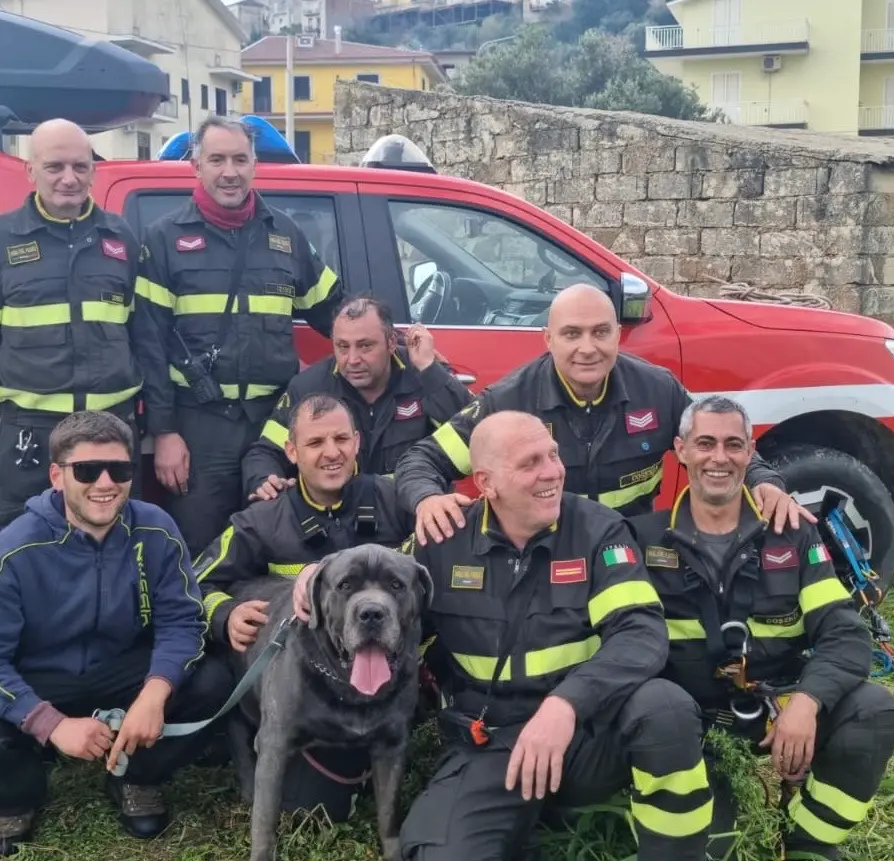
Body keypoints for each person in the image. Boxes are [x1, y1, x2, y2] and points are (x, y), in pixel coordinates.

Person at [294, 411, 713, 861]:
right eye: (530, 463)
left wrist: (567, 704)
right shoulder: (445, 539)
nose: (551, 471)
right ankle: (519, 822)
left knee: (664, 708)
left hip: (587, 736)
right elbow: (382, 583)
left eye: (552, 455)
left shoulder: (597, 529)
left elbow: (640, 632)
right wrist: (319, 573)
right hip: (491, 745)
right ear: (486, 483)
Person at [0, 410, 234, 856]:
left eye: (121, 469)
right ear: (56, 475)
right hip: (36, 675)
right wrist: (51, 724)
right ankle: (16, 796)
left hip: (120, 669)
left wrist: (155, 693)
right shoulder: (14, 547)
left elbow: (182, 621)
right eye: (88, 470)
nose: (106, 483)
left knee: (213, 682)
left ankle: (135, 776)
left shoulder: (157, 529)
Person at [629, 395, 894, 861]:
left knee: (874, 710)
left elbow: (844, 633)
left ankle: (810, 844)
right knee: (714, 847)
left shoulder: (793, 533)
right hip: (687, 727)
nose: (719, 458)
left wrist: (807, 703)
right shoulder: (640, 539)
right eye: (705, 443)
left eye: (734, 444)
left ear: (750, 451)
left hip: (774, 710)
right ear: (680, 450)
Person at [395, 283, 809, 547]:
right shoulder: (509, 400)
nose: (588, 348)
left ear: (617, 333)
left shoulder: (657, 390)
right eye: (572, 334)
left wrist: (766, 483)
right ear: (548, 339)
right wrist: (427, 498)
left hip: (633, 545)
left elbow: (718, 442)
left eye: (600, 332)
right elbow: (421, 460)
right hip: (545, 549)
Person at [192, 393, 416, 822]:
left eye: (340, 439)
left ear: (357, 443)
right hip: (303, 689)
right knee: (313, 809)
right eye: (315, 443)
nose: (331, 453)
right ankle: (248, 732)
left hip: (386, 677)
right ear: (291, 452)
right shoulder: (261, 520)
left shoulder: (394, 498)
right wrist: (225, 615)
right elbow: (195, 582)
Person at [135, 115, 345, 553]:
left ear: (254, 164)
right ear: (196, 165)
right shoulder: (163, 240)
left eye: (239, 159)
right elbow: (149, 346)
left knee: (283, 542)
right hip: (199, 427)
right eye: (216, 159)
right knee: (200, 547)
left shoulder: (284, 234)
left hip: (273, 423)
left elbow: (334, 311)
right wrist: (165, 434)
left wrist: (392, 343)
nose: (229, 171)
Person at [0, 118, 154, 527]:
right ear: (30, 170)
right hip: (32, 429)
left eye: (80, 167)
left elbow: (143, 332)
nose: (69, 178)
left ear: (93, 170)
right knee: (27, 539)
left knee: (115, 533)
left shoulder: (121, 238)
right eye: (55, 167)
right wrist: (4, 399)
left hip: (111, 424)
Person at [240, 296, 472, 503]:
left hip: (409, 513)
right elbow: (265, 452)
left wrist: (430, 370)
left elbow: (472, 436)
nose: (352, 359)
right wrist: (264, 479)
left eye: (365, 346)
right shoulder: (308, 387)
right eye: (342, 346)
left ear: (391, 342)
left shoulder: (424, 375)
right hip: (337, 521)